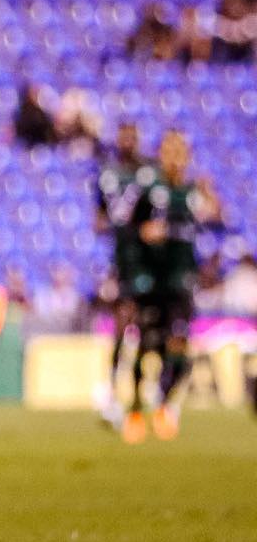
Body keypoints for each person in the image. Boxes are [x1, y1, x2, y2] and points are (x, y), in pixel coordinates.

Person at [120, 131, 200, 444]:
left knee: (179, 343)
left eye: (180, 150)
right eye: (169, 150)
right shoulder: (149, 189)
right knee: (146, 343)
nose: (174, 156)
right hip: (152, 280)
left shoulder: (194, 192)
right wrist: (143, 234)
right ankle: (137, 408)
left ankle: (166, 407)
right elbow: (126, 228)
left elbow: (212, 227)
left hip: (180, 280)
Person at [95, 122, 150, 429]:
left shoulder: (149, 176)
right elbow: (99, 217)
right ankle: (116, 396)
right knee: (122, 330)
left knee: (147, 334)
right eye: (123, 136)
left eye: (132, 136)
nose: (127, 141)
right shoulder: (108, 176)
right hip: (124, 265)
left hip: (150, 267)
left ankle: (140, 397)